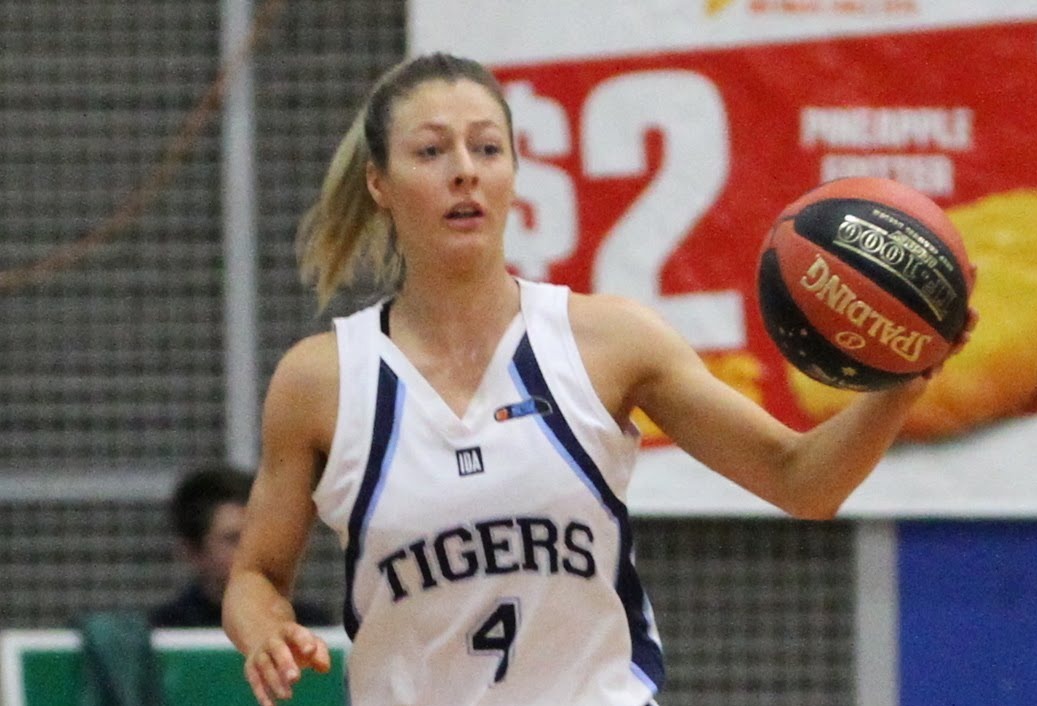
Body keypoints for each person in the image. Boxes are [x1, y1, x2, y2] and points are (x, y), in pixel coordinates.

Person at [222, 52, 975, 706]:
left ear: (514, 174)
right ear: (379, 183)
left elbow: (800, 481)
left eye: (487, 148)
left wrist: (904, 380)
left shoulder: (608, 342)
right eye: (430, 151)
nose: (465, 170)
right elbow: (255, 574)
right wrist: (265, 629)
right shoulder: (322, 380)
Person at [151, 464, 330, 629]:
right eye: (233, 539)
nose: (254, 549)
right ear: (193, 552)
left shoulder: (309, 625)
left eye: (260, 534)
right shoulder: (166, 629)